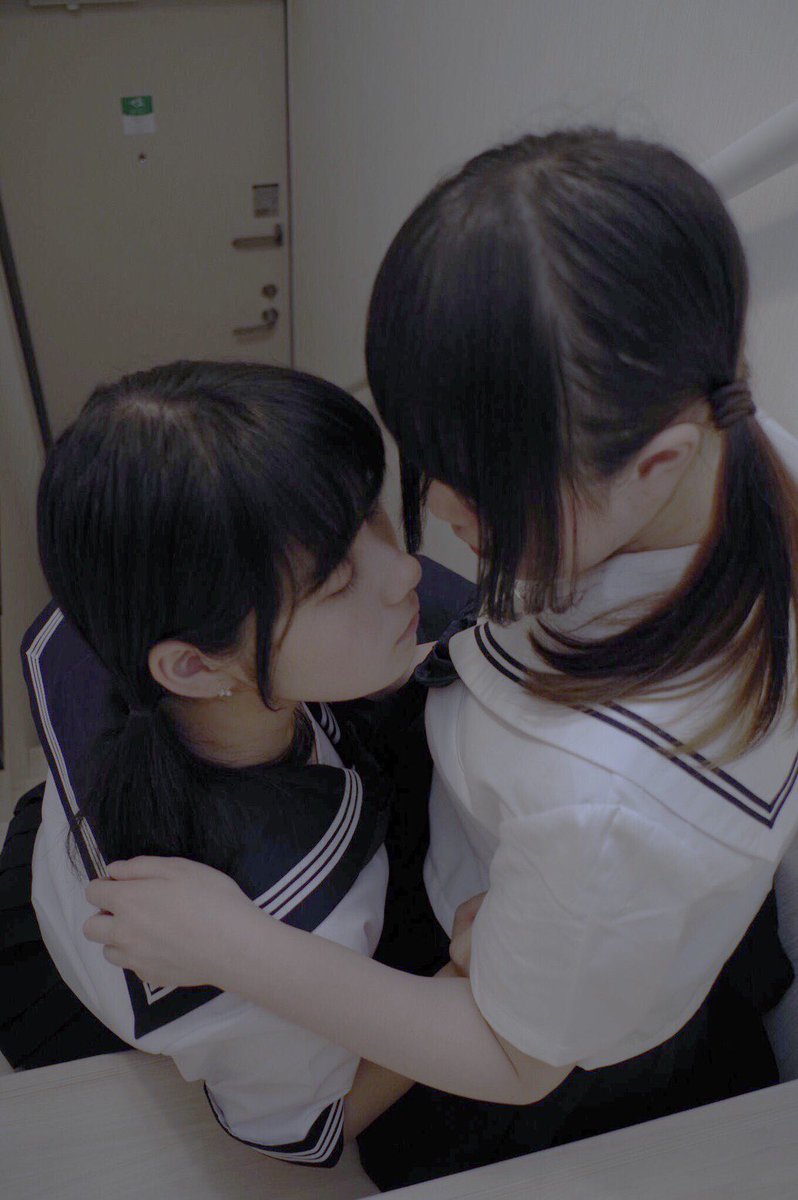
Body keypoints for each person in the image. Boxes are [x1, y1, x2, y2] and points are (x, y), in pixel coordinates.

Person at [83, 129, 798, 1191]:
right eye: (425, 466)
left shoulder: (606, 809)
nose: (437, 535)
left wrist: (233, 947)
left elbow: (515, 1060)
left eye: (483, 493)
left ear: (656, 463)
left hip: (520, 1038)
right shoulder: (726, 443)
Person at [0, 359, 459, 1167]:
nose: (407, 571)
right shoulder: (304, 913)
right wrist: (465, 981)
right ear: (194, 666)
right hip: (114, 1005)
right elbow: (308, 1132)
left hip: (49, 858)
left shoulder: (124, 602)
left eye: (376, 517)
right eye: (339, 580)